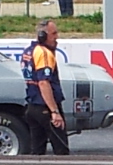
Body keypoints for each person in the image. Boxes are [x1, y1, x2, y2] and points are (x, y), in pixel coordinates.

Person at [21, 20, 70, 155]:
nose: (56, 37)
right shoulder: (43, 53)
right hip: (45, 108)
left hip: (32, 107)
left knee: (37, 151)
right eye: (53, 33)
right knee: (61, 149)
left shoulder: (29, 51)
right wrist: (54, 111)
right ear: (42, 35)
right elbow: (44, 83)